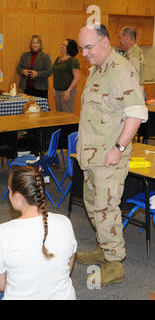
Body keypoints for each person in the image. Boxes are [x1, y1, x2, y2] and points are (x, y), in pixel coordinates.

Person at [76, 24, 148, 286]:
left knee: (106, 209)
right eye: (82, 48)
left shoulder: (120, 70)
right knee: (93, 205)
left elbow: (137, 113)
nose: (84, 53)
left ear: (104, 42)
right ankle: (104, 249)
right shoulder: (98, 69)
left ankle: (115, 262)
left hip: (109, 158)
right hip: (92, 157)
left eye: (88, 47)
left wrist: (118, 149)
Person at [0, 166, 77, 300]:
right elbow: (69, 263)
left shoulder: (2, 233)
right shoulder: (65, 222)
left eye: (9, 191)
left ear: (16, 196)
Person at [16, 35, 52, 99]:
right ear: (31, 44)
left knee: (40, 108)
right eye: (33, 43)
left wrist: (38, 74)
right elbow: (18, 68)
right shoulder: (24, 55)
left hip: (41, 88)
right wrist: (23, 71)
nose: (35, 44)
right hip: (27, 87)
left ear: (40, 44)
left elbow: (49, 71)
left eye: (37, 43)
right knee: (28, 107)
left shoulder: (45, 56)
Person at [52, 39, 81, 113]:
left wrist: (68, 91)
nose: (61, 46)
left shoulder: (73, 61)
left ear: (69, 48)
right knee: (58, 116)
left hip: (67, 92)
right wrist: (54, 88)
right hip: (57, 91)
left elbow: (77, 78)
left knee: (67, 116)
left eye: (64, 45)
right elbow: (56, 74)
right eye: (62, 44)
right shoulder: (58, 59)